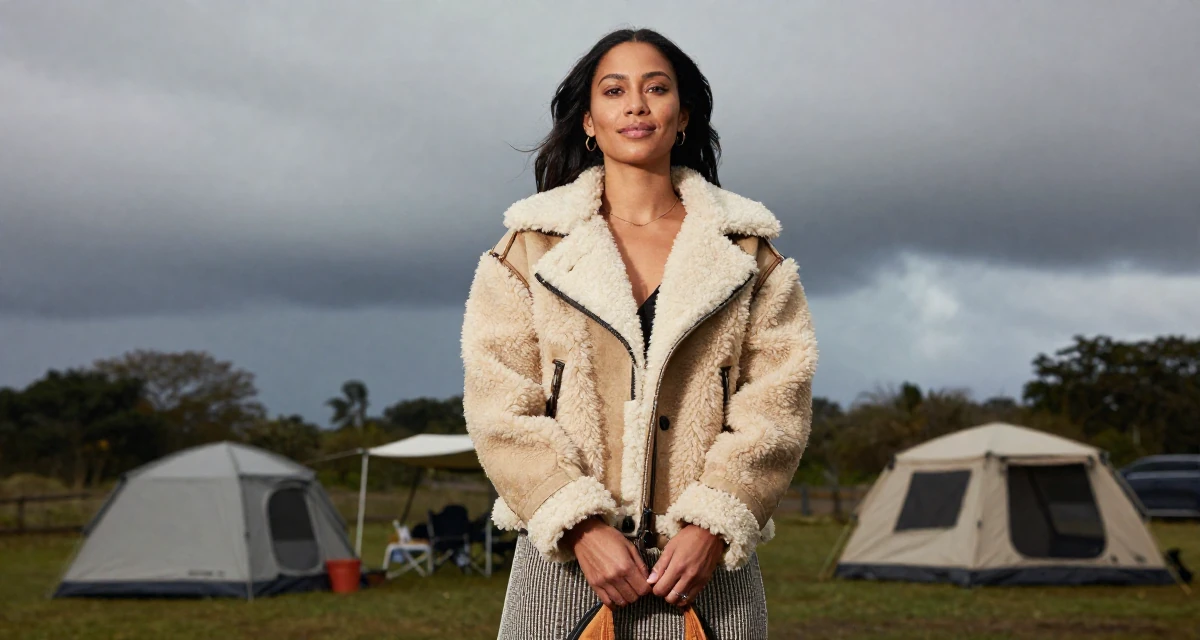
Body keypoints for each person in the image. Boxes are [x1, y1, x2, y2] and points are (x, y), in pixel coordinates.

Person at [460, 27, 818, 639]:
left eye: (656, 88)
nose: (635, 105)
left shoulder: (748, 253)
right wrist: (578, 525)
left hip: (707, 577)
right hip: (564, 571)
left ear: (684, 116)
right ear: (588, 120)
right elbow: (499, 410)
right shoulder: (527, 250)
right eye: (613, 90)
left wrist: (713, 524)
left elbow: (777, 407)